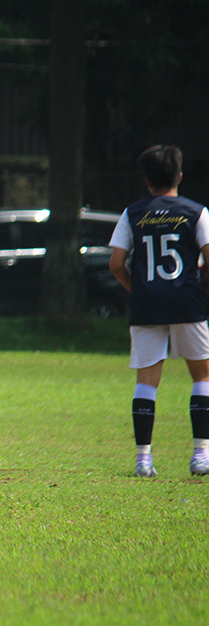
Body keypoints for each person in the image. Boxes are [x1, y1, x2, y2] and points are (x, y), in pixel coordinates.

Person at [109, 144, 209, 478]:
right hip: (187, 302)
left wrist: (138, 290)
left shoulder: (133, 213)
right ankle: (201, 456)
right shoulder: (196, 212)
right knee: (202, 376)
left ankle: (143, 460)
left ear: (147, 180)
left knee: (146, 382)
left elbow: (116, 263)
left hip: (147, 304)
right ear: (179, 176)